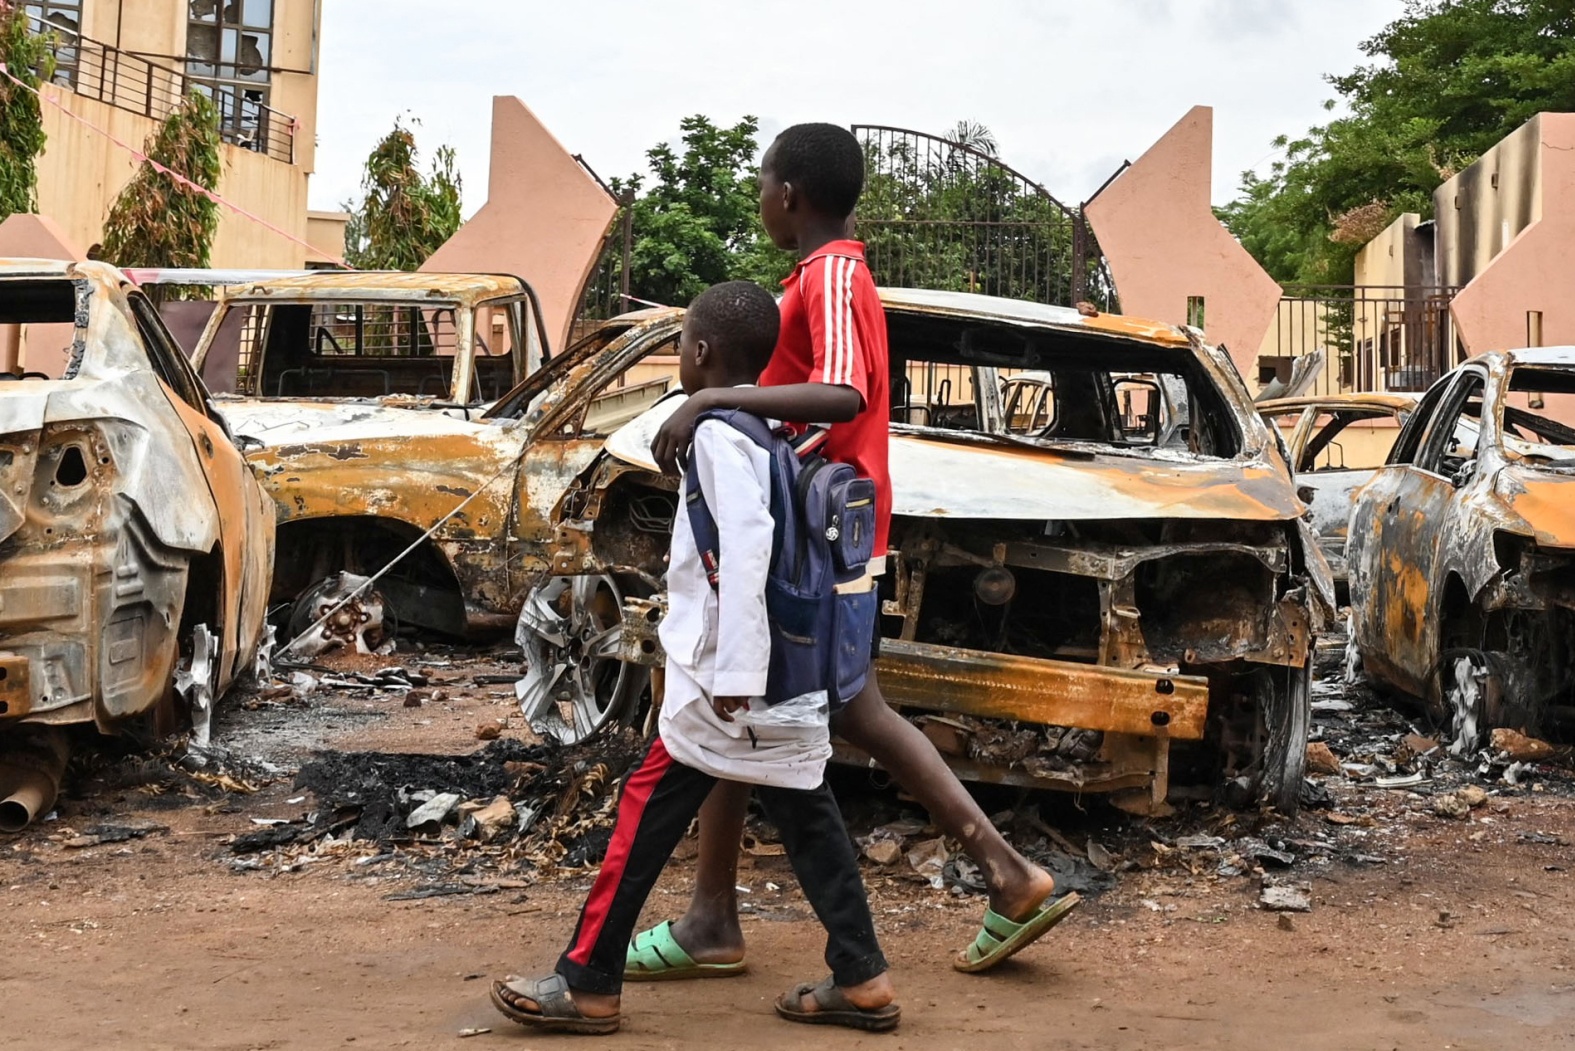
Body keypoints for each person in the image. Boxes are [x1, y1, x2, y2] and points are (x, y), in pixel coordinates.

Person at [639, 123, 1077, 980]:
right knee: (776, 705)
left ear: (789, 195)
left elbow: (843, 394)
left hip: (820, 541)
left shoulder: (833, 274)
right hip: (820, 534)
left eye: (761, 187)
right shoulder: (816, 275)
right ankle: (713, 913)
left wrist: (715, 399)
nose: (759, 202)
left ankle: (1002, 872)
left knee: (803, 706)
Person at [489, 281, 900, 1035]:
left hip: (728, 679)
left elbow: (744, 550)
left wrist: (736, 673)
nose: (679, 355)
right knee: (808, 814)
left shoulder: (717, 436)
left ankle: (587, 982)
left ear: (700, 352)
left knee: (644, 812)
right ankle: (862, 975)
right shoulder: (768, 431)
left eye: (679, 344)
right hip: (788, 668)